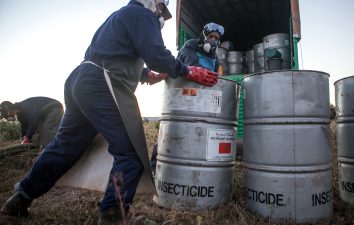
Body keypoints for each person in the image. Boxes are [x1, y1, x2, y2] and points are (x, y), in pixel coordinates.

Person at [0, 0, 218, 224]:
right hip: (101, 84)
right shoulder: (144, 15)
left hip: (81, 80)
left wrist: (145, 75)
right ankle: (113, 215)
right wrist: (188, 70)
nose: (161, 15)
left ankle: (20, 198)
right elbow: (155, 54)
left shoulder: (121, 15)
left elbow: (113, 51)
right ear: (155, 3)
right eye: (162, 9)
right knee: (131, 153)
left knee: (65, 146)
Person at [150, 22, 225, 175]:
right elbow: (192, 65)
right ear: (203, 36)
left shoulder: (215, 58)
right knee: (174, 127)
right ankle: (154, 167)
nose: (213, 41)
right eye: (211, 36)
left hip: (201, 96)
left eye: (216, 38)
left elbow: (215, 77)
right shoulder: (190, 46)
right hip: (182, 92)